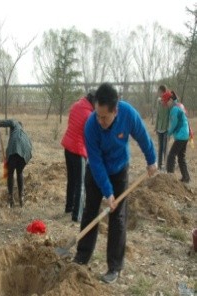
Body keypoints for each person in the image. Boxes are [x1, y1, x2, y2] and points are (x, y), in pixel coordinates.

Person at [73, 83, 157, 284]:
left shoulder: (127, 114)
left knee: (118, 217)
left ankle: (114, 267)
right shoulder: (91, 125)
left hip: (119, 169)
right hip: (97, 171)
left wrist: (151, 159)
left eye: (104, 116)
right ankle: (82, 256)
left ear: (115, 110)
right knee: (90, 211)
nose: (100, 120)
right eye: (97, 115)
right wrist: (108, 193)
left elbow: (143, 136)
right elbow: (96, 162)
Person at [61, 90, 95, 222]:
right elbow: (89, 136)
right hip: (78, 150)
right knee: (81, 183)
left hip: (68, 147)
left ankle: (69, 207)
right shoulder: (89, 114)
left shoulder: (76, 105)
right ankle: (77, 215)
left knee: (71, 180)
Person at [0, 119, 32, 208]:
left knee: (10, 173)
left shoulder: (16, 124)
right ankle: (21, 197)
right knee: (19, 172)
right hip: (25, 153)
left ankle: (10, 198)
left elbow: (11, 122)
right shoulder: (24, 134)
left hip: (14, 149)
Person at [165, 91, 190, 183]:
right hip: (185, 135)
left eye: (166, 102)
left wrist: (168, 134)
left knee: (171, 155)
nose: (166, 104)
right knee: (181, 157)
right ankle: (186, 177)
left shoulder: (174, 109)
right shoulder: (180, 105)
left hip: (181, 135)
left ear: (171, 100)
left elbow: (174, 123)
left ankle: (170, 177)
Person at [155, 85, 170, 170]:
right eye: (159, 92)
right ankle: (159, 165)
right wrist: (156, 127)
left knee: (165, 148)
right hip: (160, 128)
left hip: (166, 128)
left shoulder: (169, 102)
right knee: (160, 147)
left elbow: (171, 115)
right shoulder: (158, 101)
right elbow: (158, 115)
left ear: (164, 92)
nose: (159, 94)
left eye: (160, 92)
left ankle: (166, 166)